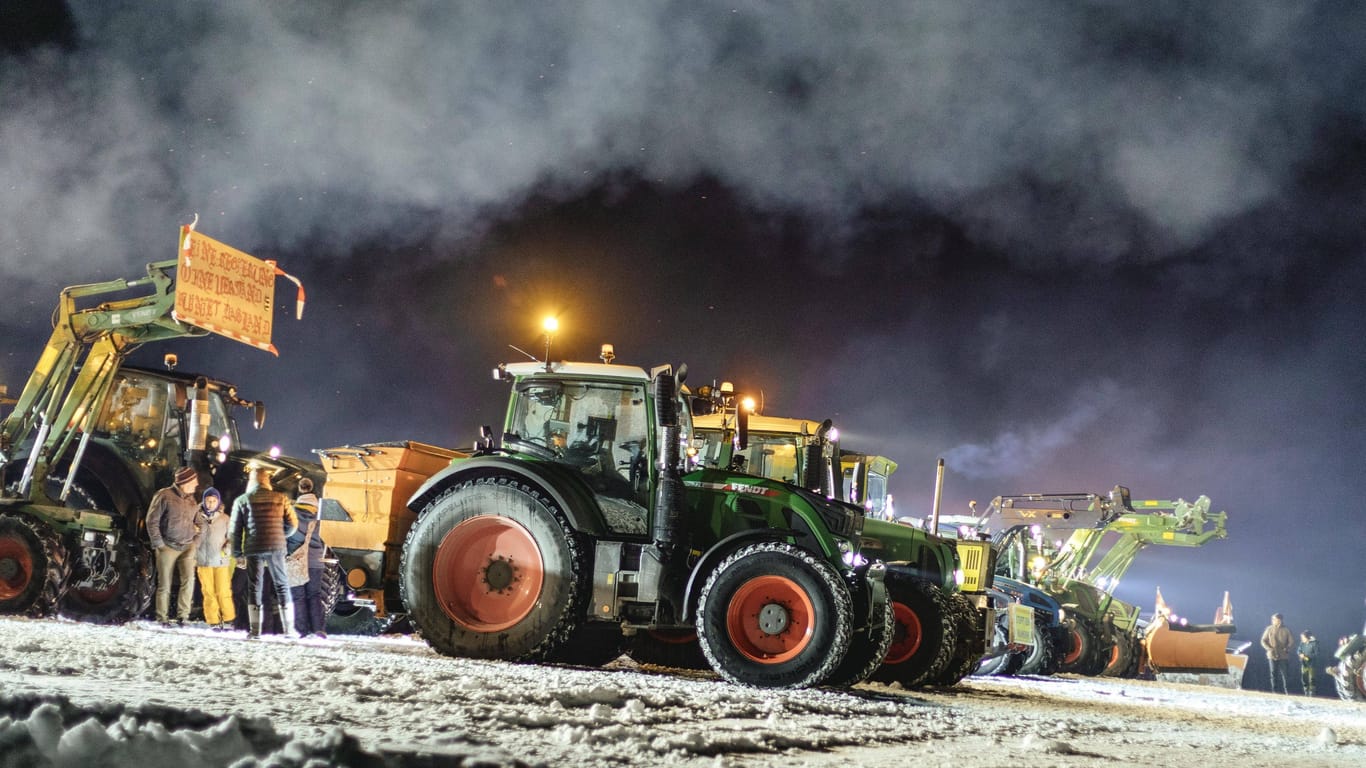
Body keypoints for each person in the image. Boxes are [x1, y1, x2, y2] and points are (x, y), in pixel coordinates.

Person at [229, 465, 299, 639]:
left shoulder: (242, 500)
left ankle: (255, 631)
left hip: (254, 548)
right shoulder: (280, 498)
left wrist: (237, 553)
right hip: (276, 547)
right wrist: (280, 534)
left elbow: (234, 530)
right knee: (282, 585)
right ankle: (289, 629)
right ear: (267, 480)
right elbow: (293, 524)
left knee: (255, 587)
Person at [145, 466, 202, 627]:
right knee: (165, 583)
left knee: (189, 580)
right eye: (194, 481)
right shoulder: (164, 495)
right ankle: (161, 617)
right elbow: (152, 520)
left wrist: (195, 543)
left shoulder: (191, 499)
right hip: (167, 546)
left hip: (187, 546)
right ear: (185, 482)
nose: (196, 484)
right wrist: (159, 544)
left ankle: (183, 616)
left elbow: (200, 523)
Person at [286, 477, 327, 638]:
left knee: (298, 596)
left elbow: (286, 536)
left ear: (299, 490)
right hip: (316, 561)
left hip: (296, 560)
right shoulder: (321, 514)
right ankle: (318, 628)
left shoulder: (292, 514)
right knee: (315, 594)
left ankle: (302, 630)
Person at [194, 487, 236, 630]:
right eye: (208, 501)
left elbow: (232, 537)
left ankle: (228, 618)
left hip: (220, 560)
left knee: (223, 590)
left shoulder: (225, 519)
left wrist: (227, 549)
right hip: (203, 561)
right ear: (204, 501)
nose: (211, 504)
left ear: (218, 502)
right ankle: (213, 620)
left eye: (213, 501)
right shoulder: (196, 517)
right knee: (208, 592)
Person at [1260, 612, 1293, 694]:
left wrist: (1287, 648)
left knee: (1285, 675)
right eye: (1272, 619)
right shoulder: (1269, 629)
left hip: (1283, 655)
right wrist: (1269, 648)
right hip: (1272, 655)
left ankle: (1287, 692)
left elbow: (1291, 641)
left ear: (1280, 620)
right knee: (1273, 674)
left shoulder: (1286, 629)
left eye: (1274, 619)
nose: (1273, 620)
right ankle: (1275, 692)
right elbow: (1263, 640)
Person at [1298, 630, 1319, 696]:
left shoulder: (1314, 644)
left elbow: (1316, 654)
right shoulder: (1302, 643)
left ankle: (1312, 692)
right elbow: (1299, 650)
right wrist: (1301, 654)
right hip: (1304, 664)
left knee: (1312, 678)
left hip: (1312, 664)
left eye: (1303, 637)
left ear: (1307, 637)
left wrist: (1307, 656)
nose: (1302, 639)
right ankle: (1306, 691)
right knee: (1304, 677)